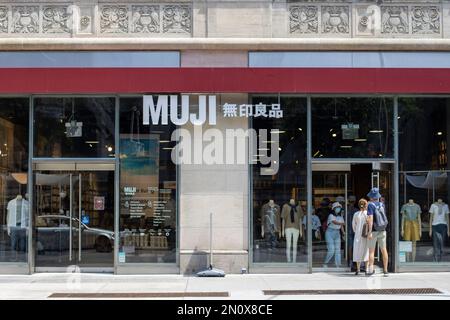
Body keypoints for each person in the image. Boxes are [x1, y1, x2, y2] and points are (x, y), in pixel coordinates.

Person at [366, 187, 389, 277]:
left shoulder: (370, 205)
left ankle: (371, 270)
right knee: (384, 250)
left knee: (371, 251)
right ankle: (386, 270)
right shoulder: (382, 204)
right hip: (383, 230)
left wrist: (369, 231)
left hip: (374, 231)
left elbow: (371, 219)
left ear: (371, 196)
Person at [323, 202, 345, 267]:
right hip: (330, 232)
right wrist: (343, 224)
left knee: (338, 250)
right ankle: (325, 263)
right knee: (331, 250)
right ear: (333, 208)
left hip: (337, 233)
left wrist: (343, 233)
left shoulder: (340, 217)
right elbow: (335, 222)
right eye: (337, 207)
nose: (338, 209)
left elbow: (341, 226)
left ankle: (338, 264)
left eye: (339, 207)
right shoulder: (331, 215)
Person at [352, 199, 369, 275]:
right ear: (366, 205)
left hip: (358, 235)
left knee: (357, 251)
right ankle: (367, 269)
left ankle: (358, 269)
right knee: (366, 251)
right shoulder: (368, 214)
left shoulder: (356, 214)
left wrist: (357, 231)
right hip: (366, 235)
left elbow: (353, 226)